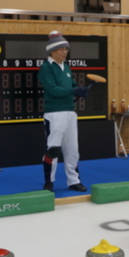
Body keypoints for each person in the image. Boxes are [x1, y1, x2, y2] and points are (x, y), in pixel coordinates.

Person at [39, 31, 88, 193]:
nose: (65, 52)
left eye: (66, 49)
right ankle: (49, 182)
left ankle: (74, 181)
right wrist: (73, 91)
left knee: (72, 150)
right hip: (54, 114)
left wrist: (80, 90)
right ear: (52, 51)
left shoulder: (66, 67)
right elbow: (53, 89)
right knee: (53, 149)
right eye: (61, 49)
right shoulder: (45, 68)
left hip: (70, 113)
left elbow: (72, 86)